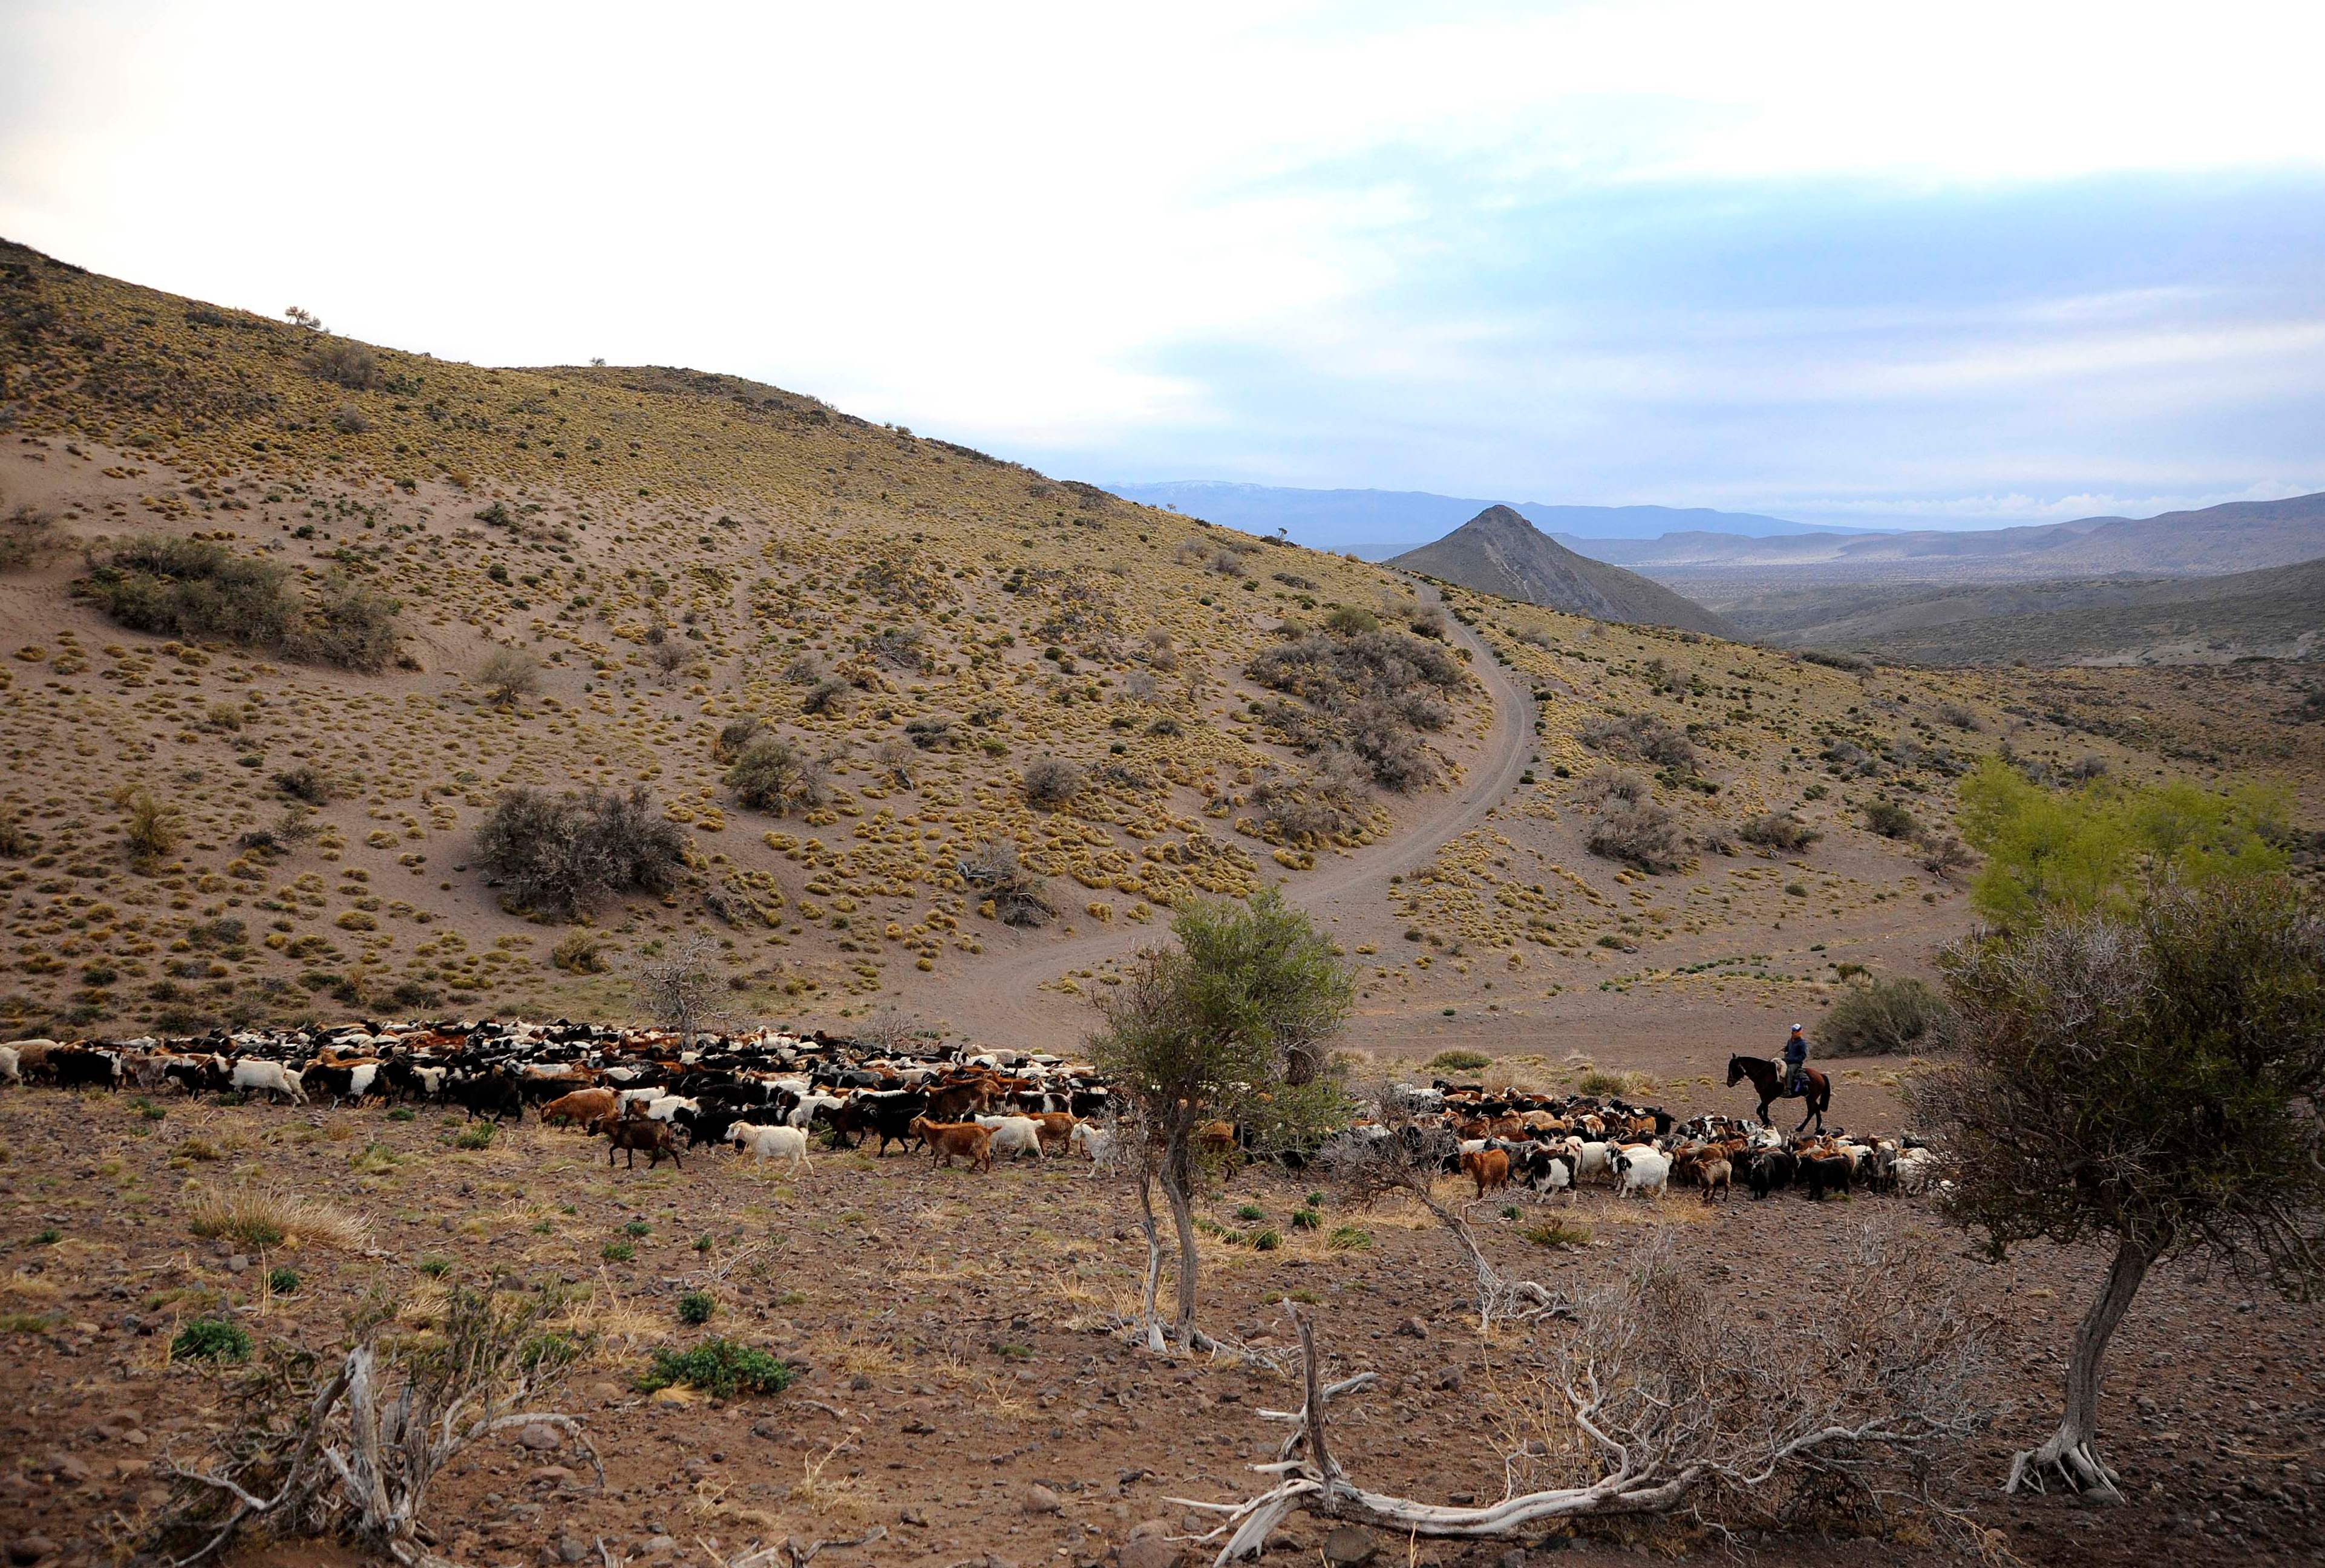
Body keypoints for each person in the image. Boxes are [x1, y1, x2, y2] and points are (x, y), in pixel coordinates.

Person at [1783, 1024, 1808, 1096]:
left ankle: (1788, 1089)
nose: (1793, 1032)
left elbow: (1803, 1056)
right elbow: (1788, 1048)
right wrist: (1786, 1049)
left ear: (1799, 1032)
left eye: (1795, 1031)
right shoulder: (1790, 1041)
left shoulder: (1802, 1043)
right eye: (1793, 1030)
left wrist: (1791, 1060)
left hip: (1796, 1063)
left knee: (1789, 1070)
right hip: (1788, 1060)